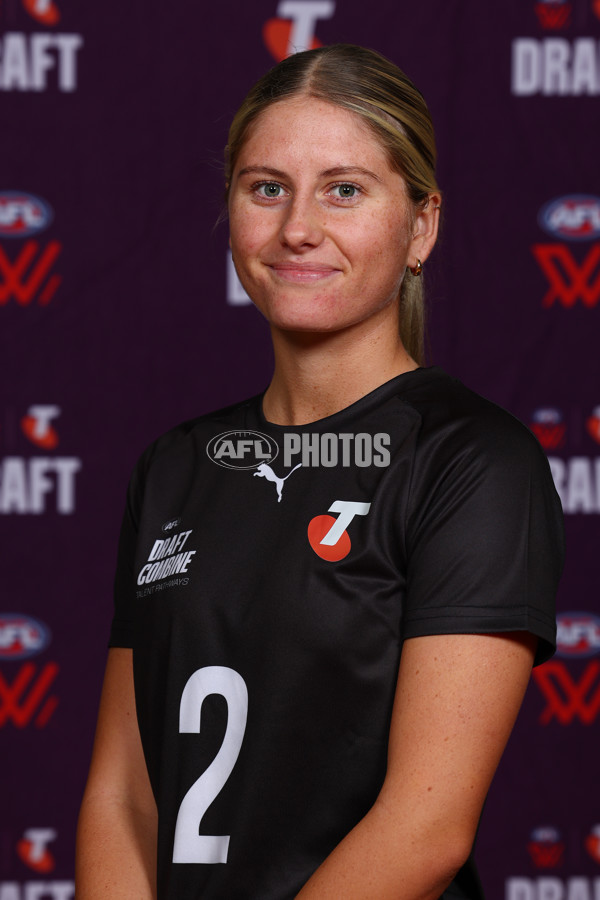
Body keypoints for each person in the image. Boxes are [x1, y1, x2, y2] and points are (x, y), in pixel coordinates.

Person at [75, 44, 564, 899]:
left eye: (345, 189)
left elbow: (427, 827)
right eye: (268, 187)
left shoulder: (470, 460)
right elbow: (125, 797)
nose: (298, 226)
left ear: (421, 225)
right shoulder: (174, 467)